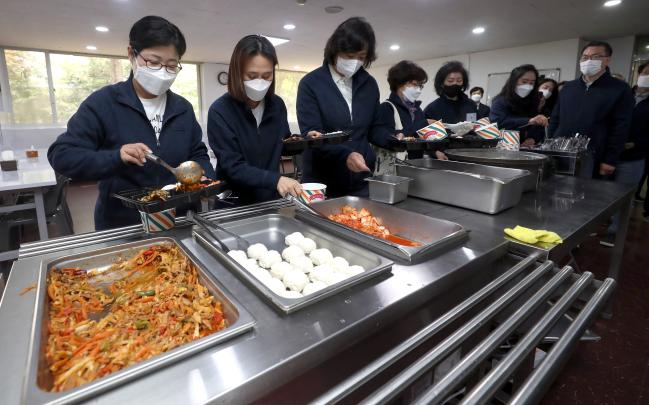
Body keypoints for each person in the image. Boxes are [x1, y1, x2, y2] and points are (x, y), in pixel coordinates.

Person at [48, 16, 214, 230]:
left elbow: (198, 153)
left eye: (171, 66)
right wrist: (116, 156)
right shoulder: (104, 103)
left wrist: (205, 177)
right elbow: (62, 155)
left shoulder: (182, 108)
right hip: (122, 225)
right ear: (131, 54)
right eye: (154, 62)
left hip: (177, 220)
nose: (163, 72)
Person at [297, 17, 391, 197]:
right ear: (335, 50)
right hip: (322, 181)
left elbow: (374, 128)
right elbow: (312, 134)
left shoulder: (369, 84)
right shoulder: (311, 83)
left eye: (361, 57)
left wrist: (395, 140)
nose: (355, 62)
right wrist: (344, 155)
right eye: (349, 56)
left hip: (360, 178)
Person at [207, 35, 301, 205]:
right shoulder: (220, 110)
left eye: (266, 76)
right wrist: (276, 180)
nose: (260, 82)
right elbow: (233, 166)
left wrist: (304, 140)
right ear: (237, 73)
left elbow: (282, 143)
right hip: (234, 204)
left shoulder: (277, 105)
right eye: (252, 76)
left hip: (270, 201)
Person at [548, 41, 634, 180]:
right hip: (560, 153)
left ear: (607, 60)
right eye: (585, 57)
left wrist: (610, 159)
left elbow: (621, 127)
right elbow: (555, 118)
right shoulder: (569, 87)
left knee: (586, 196)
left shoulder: (620, 89)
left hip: (595, 157)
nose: (588, 61)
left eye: (595, 57)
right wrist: (549, 145)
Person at [600, 62, 649, 246]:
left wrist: (636, 144)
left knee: (624, 195)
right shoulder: (623, 93)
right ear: (638, 74)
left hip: (633, 157)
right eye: (645, 72)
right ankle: (601, 223)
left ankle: (615, 231)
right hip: (609, 153)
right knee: (603, 193)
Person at [374, 60, 446, 173]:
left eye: (420, 85)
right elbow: (379, 137)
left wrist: (435, 151)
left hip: (415, 167)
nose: (418, 89)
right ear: (399, 83)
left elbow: (422, 137)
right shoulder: (386, 108)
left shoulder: (417, 110)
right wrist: (396, 136)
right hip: (394, 169)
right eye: (414, 84)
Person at [489, 64, 548, 146]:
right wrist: (528, 121)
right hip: (503, 146)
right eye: (524, 82)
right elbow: (498, 122)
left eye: (531, 83)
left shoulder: (533, 101)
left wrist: (533, 138)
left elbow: (538, 126)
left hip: (526, 148)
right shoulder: (500, 101)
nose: (528, 86)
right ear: (514, 81)